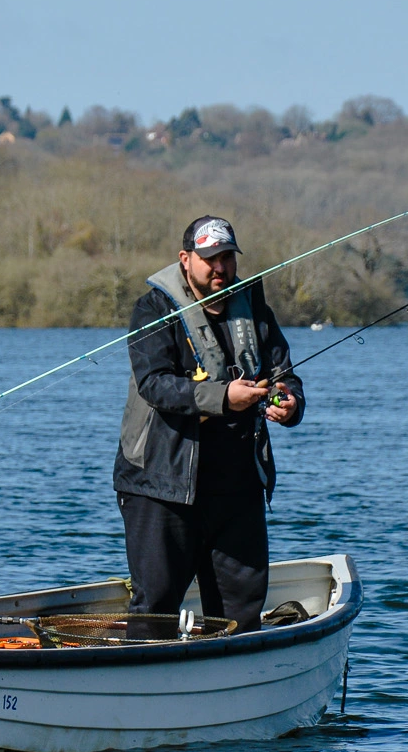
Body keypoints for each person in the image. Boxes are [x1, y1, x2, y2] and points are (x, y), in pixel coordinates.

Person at [112, 216, 305, 633]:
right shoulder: (153, 309)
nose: (220, 267)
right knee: (155, 607)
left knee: (240, 614)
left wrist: (290, 402)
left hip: (237, 486)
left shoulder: (255, 309)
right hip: (161, 485)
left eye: (227, 257)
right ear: (186, 259)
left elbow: (285, 373)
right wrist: (222, 398)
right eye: (210, 258)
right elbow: (154, 384)